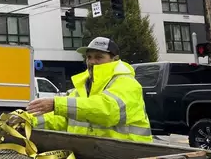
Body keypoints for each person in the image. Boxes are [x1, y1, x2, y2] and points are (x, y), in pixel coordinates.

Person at [21, 37, 152, 143]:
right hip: (97, 155)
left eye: (99, 57)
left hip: (130, 158)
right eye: (89, 57)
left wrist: (56, 104)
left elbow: (107, 111)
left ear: (115, 59)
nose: (92, 61)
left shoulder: (126, 82)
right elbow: (62, 119)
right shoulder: (82, 87)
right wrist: (27, 120)